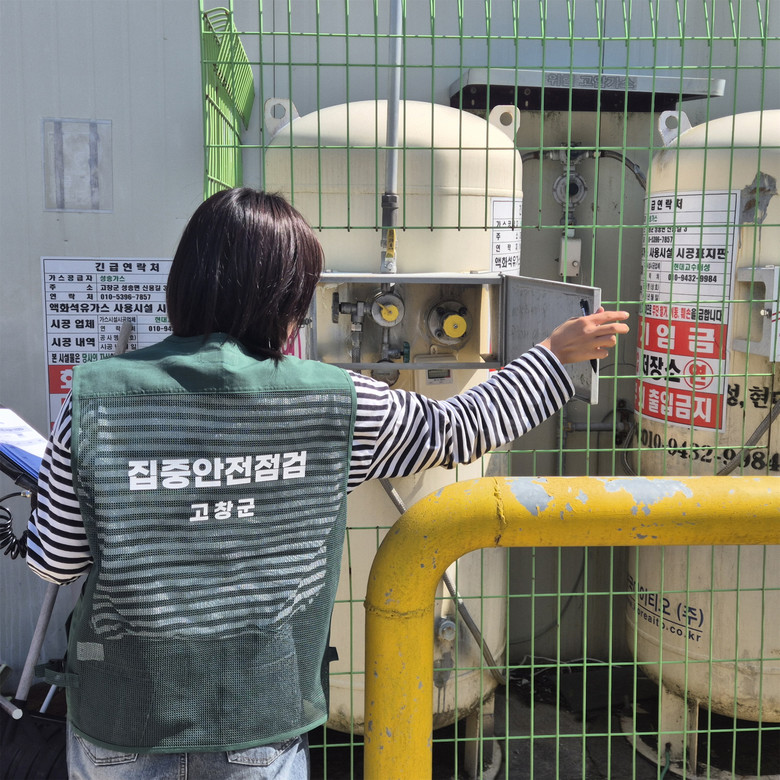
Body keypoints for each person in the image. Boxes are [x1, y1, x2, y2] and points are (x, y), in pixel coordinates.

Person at [27, 188, 629, 779]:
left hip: (123, 718)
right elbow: (457, 429)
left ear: (184, 281)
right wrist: (553, 356)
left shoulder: (95, 398)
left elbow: (54, 561)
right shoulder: (337, 402)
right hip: (259, 719)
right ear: (287, 302)